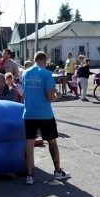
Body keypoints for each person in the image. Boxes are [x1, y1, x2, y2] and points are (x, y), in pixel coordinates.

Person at [22, 51, 71, 185]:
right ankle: (57, 171)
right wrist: (58, 95)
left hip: (29, 113)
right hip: (44, 113)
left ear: (34, 60)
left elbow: (24, 92)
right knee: (52, 141)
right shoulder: (46, 73)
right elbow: (51, 97)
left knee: (29, 142)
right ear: (44, 61)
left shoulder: (25, 73)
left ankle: (29, 175)